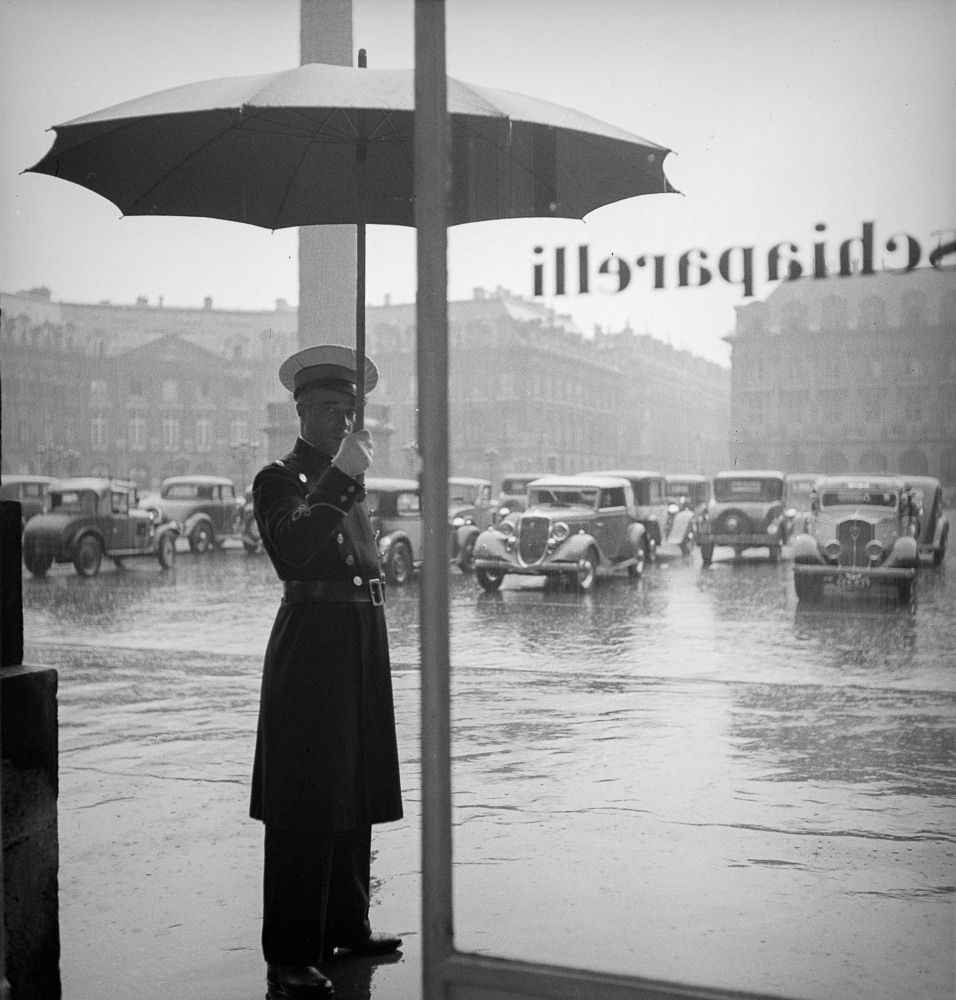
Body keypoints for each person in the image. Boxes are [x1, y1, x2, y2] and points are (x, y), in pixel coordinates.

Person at [250, 344, 403, 999]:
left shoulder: (348, 477)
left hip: (358, 641)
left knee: (353, 789)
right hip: (312, 647)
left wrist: (347, 477)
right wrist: (342, 476)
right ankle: (289, 955)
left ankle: (346, 924)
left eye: (351, 410)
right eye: (335, 409)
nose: (346, 421)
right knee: (305, 799)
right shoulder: (279, 478)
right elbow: (294, 548)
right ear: (304, 411)